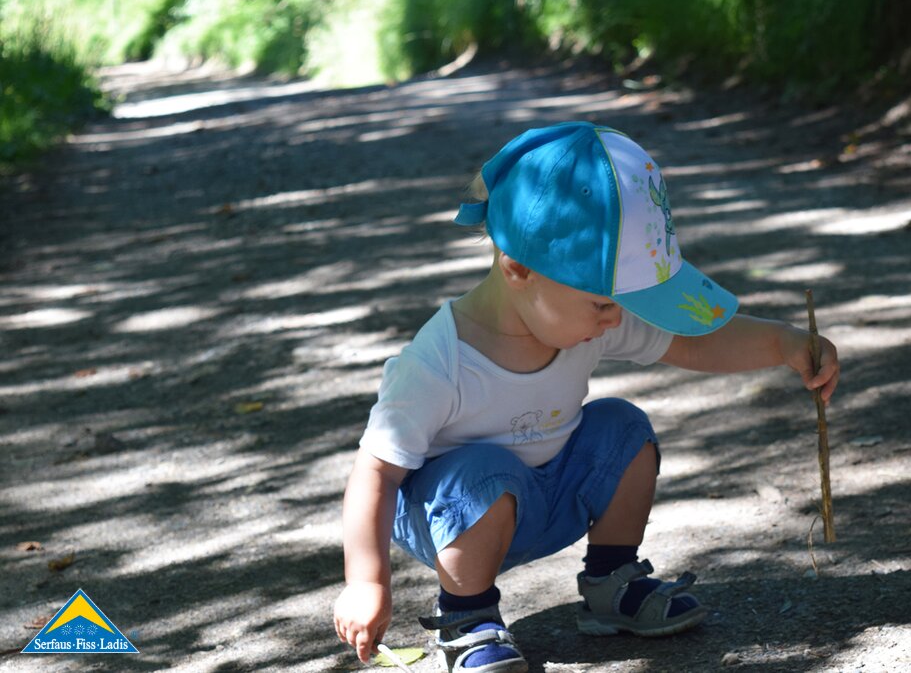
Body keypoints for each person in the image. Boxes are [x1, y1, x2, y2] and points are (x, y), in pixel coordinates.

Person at [333, 122, 840, 672]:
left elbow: (693, 341)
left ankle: (611, 582)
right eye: (605, 303)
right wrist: (365, 581)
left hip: (548, 495)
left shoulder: (585, 316)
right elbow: (375, 473)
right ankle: (467, 615)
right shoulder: (439, 363)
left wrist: (783, 343)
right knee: (482, 471)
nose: (616, 317)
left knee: (622, 428)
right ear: (519, 268)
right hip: (450, 515)